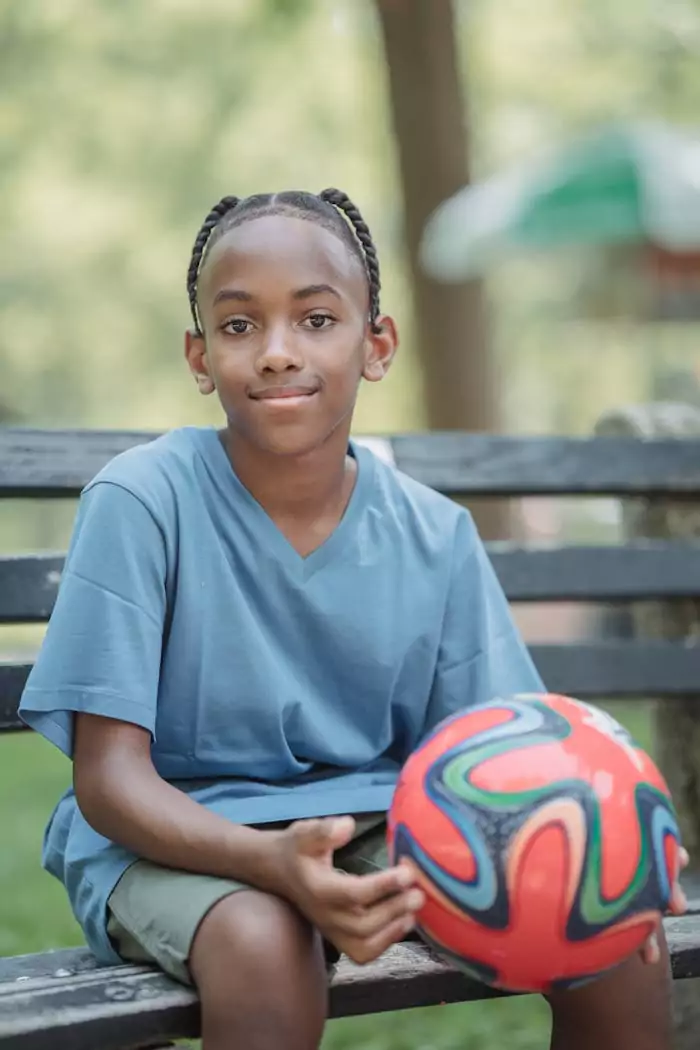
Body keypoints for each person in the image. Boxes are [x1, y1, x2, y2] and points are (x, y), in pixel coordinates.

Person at [20, 189, 687, 1050]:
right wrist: (269, 864)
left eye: (317, 318)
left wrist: (616, 847)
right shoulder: (143, 500)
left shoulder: (433, 531)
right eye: (238, 326)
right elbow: (109, 783)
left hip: (375, 826)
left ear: (376, 345)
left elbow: (510, 750)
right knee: (265, 938)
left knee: (615, 939)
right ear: (198, 355)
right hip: (172, 836)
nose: (276, 352)